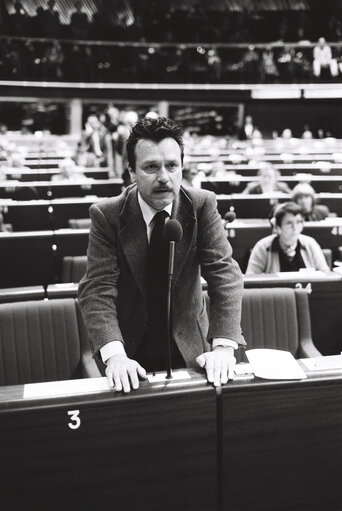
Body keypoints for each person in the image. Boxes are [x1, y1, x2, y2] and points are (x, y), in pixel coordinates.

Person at [78, 116, 245, 393]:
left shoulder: (202, 205)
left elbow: (225, 276)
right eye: (151, 167)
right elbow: (97, 289)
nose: (164, 177)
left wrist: (224, 347)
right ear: (131, 171)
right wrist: (115, 355)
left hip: (192, 346)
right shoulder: (106, 215)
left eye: (171, 165)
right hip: (128, 350)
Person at [246, 202, 329, 274]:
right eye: (289, 223)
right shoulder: (262, 247)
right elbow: (251, 279)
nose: (295, 228)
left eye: (298, 222)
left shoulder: (310, 243)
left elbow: (325, 275)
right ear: (277, 227)